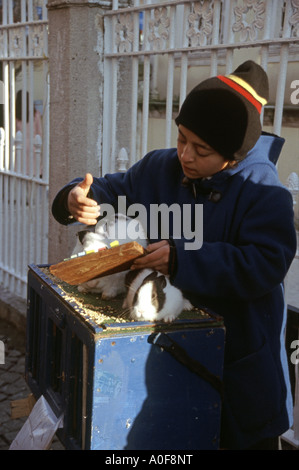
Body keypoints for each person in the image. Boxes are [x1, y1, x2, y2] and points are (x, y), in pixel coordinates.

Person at [52, 61, 297, 450]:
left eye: (202, 149)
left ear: (234, 155)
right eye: (182, 138)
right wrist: (76, 198)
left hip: (238, 370)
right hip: (166, 365)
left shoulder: (265, 193)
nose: (185, 154)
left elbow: (264, 265)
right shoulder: (158, 168)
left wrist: (182, 260)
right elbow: (109, 189)